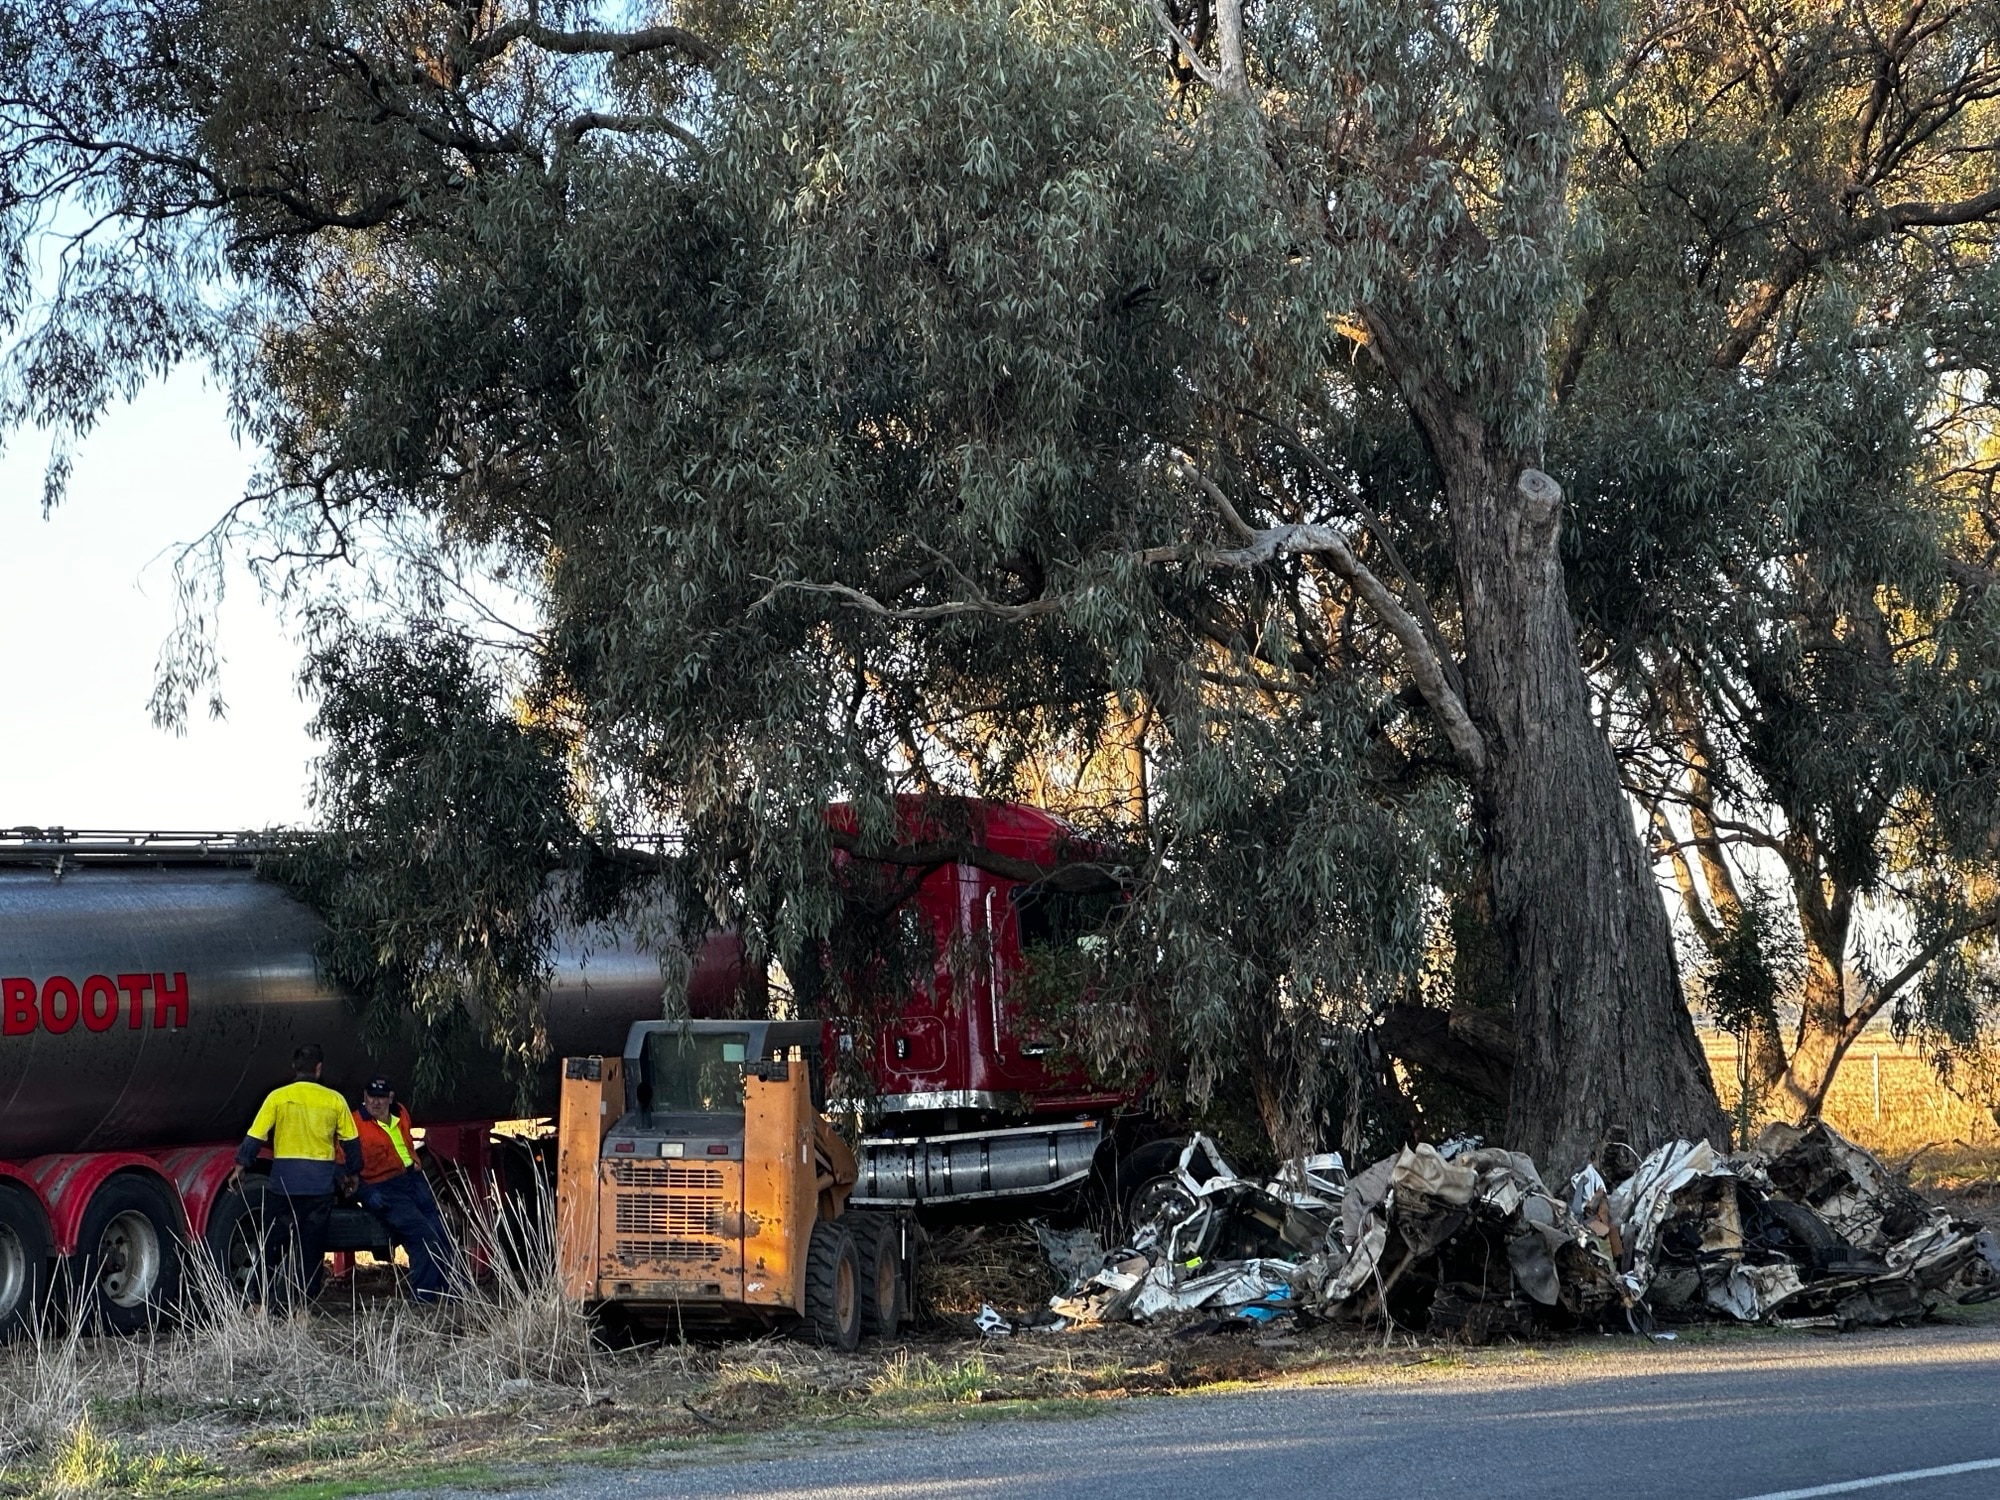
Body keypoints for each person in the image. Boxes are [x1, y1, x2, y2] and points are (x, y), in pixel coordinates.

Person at [230, 1042, 362, 1311]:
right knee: (311, 1250)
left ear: (293, 1068)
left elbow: (256, 1135)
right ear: (319, 1068)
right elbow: (352, 1143)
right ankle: (301, 1307)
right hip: (319, 1188)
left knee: (272, 1246)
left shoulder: (278, 1097)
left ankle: (258, 1302)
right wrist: (352, 1174)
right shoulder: (334, 1100)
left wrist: (241, 1165)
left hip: (284, 1186)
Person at [352, 1076, 455, 1303]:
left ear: (390, 1098)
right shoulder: (355, 1123)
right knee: (422, 1236)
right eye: (371, 1097)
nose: (375, 1103)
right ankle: (426, 1296)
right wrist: (366, 1193)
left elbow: (406, 1142)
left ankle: (453, 1290)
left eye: (380, 1097)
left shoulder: (401, 1113)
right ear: (364, 1097)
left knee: (441, 1232)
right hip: (384, 1187)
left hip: (413, 1180)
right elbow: (342, 1164)